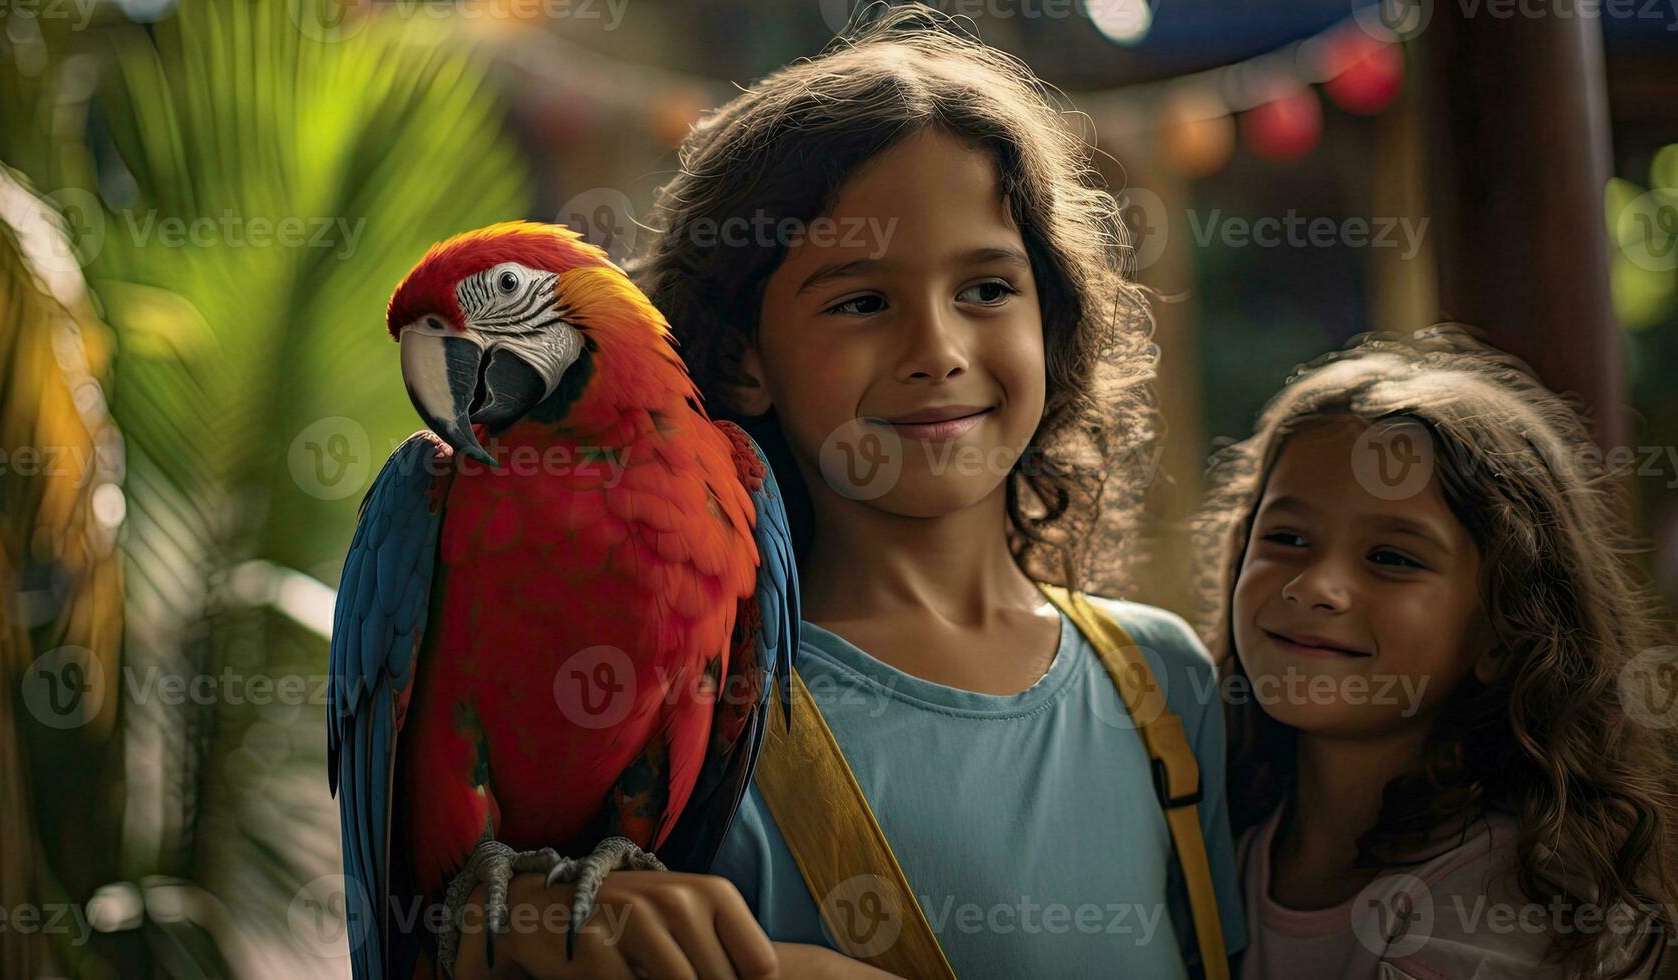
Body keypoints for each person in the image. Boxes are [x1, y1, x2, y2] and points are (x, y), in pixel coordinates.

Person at [452, 5, 1247, 977]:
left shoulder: (1163, 684)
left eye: (987, 288)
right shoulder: (689, 724)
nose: (939, 352)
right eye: (862, 302)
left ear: (1053, 311)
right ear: (745, 360)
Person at [1192, 327, 1678, 979]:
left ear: (1505, 632)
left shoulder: (1509, 908)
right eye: (1285, 536)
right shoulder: (1211, 830)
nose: (1312, 587)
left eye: (1390, 558)